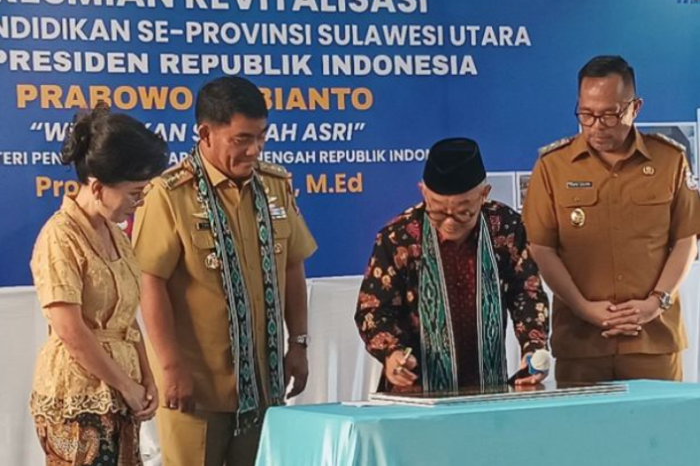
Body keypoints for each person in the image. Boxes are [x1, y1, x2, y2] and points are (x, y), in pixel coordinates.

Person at [133, 76, 317, 466]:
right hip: (196, 386)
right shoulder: (169, 194)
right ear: (205, 134)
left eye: (262, 136)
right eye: (241, 139)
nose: (254, 149)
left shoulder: (274, 185)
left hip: (263, 383)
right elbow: (150, 282)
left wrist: (299, 343)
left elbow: (292, 265)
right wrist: (171, 367)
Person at [523, 55, 700, 383]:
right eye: (586, 114)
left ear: (635, 107)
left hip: (653, 339)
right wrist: (583, 308)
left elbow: (686, 240)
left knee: (658, 419)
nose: (596, 126)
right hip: (582, 342)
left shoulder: (670, 160)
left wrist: (656, 303)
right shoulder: (553, 167)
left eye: (609, 114)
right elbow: (542, 248)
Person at [30, 104, 168, 466]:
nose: (140, 202)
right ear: (97, 186)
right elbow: (70, 331)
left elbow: (126, 318)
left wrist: (147, 379)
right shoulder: (60, 237)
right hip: (78, 396)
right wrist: (126, 385)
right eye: (134, 193)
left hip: (123, 394)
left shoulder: (116, 235)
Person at [355, 137, 549, 392]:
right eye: (437, 211)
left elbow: (527, 292)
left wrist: (533, 347)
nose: (449, 223)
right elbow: (373, 309)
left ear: (484, 195)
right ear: (423, 192)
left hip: (487, 385)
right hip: (416, 390)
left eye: (463, 212)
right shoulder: (398, 237)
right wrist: (392, 352)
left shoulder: (504, 227)